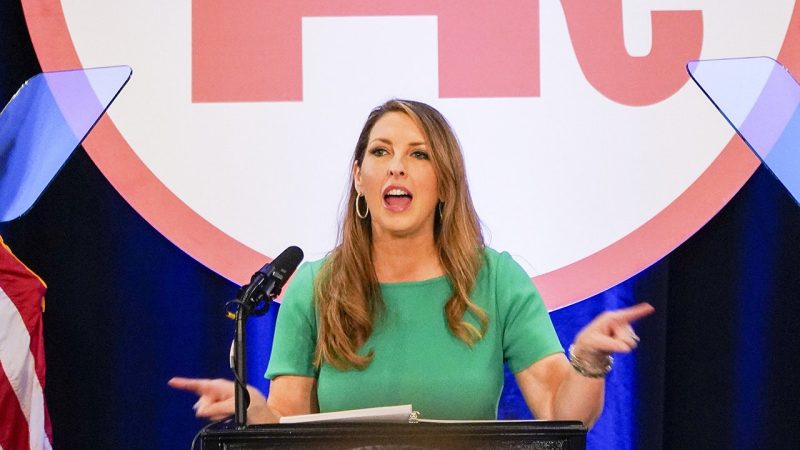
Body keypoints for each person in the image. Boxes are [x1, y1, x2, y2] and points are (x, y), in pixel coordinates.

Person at [169, 99, 654, 427]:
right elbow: (290, 431)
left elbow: (562, 415)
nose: (396, 165)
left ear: (444, 183)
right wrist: (254, 411)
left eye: (418, 154)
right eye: (380, 152)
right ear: (359, 178)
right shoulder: (316, 287)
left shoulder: (497, 280)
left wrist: (589, 361)